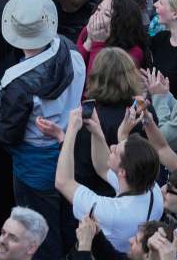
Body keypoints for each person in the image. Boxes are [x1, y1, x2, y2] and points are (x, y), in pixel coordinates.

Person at [0, 0, 86, 260]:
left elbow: (8, 133)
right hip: (69, 148)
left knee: (38, 233)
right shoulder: (71, 50)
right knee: (69, 222)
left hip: (34, 162)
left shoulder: (15, 82)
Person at [53, 108, 163, 253]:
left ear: (122, 172)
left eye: (116, 150)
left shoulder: (112, 212)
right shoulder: (152, 188)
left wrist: (71, 130)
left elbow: (63, 182)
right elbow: (103, 168)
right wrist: (97, 131)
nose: (112, 146)